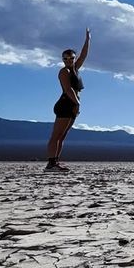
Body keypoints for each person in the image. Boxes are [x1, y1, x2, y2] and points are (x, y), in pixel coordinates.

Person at [45, 28, 91, 171]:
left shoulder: (75, 69)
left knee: (62, 136)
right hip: (66, 104)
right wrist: (77, 104)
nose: (68, 60)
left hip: (72, 105)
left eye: (71, 58)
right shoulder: (64, 72)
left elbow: (83, 55)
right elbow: (68, 90)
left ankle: (55, 162)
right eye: (65, 58)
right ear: (62, 60)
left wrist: (88, 39)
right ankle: (51, 163)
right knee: (56, 135)